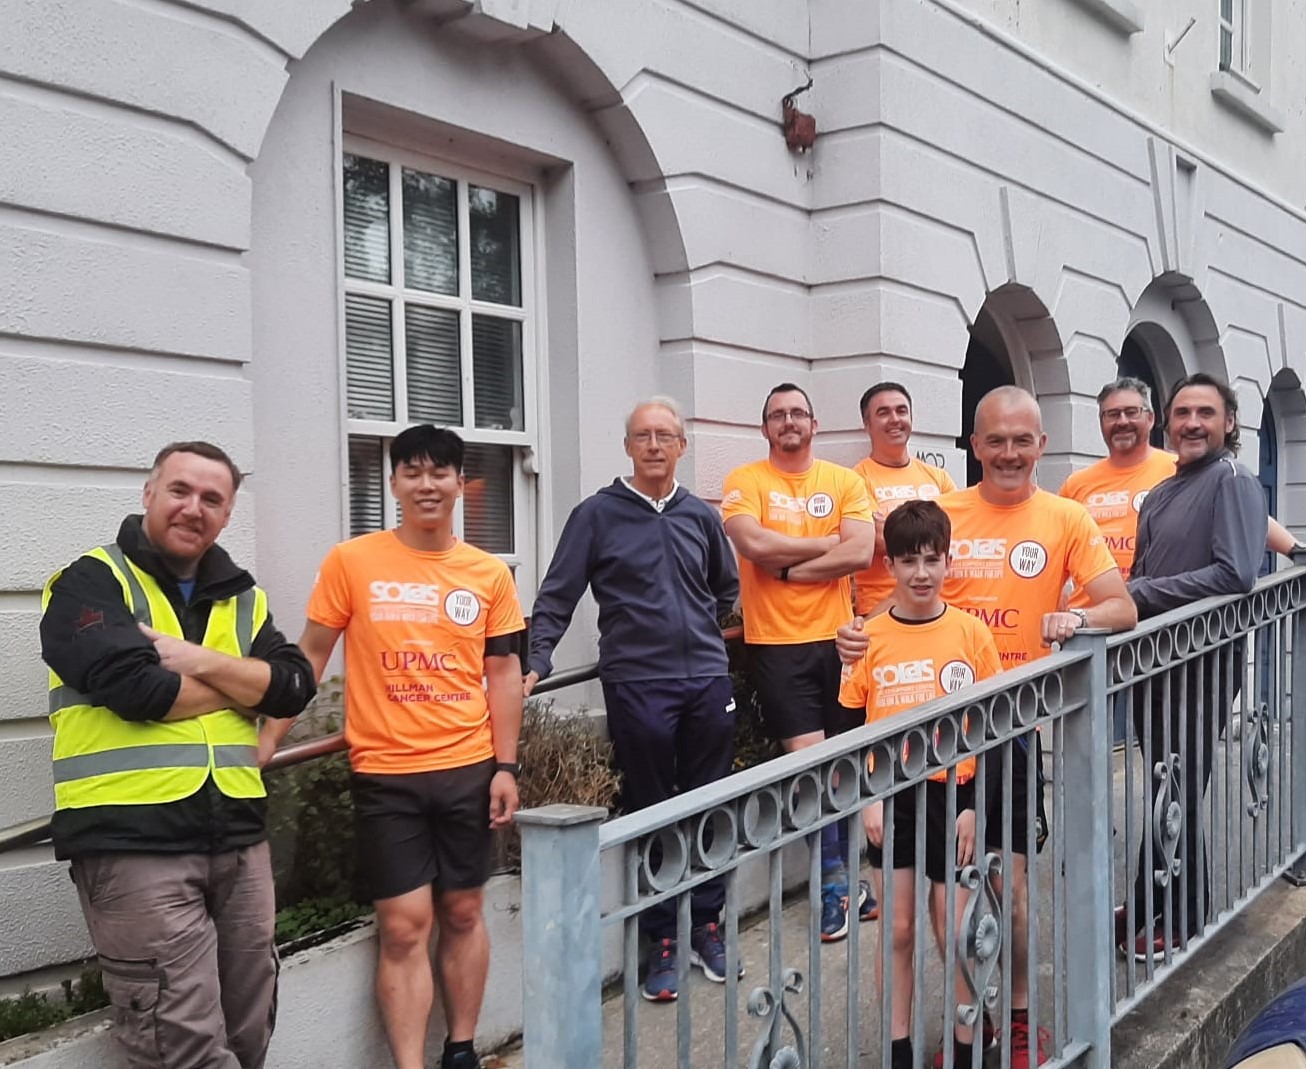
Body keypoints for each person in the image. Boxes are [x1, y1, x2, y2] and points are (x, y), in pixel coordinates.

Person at [838, 386, 1138, 1068]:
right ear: (975, 445)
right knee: (949, 911)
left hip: (1009, 733)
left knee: (1010, 890)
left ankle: (1023, 1015)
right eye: (995, 439)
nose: (1008, 452)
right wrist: (856, 640)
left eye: (1022, 440)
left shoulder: (1065, 517)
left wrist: (1078, 619)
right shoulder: (944, 514)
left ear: (1040, 445)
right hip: (930, 743)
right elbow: (896, 604)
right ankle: (982, 1020)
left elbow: (1120, 605)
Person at [39, 441, 317, 1069]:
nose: (194, 508)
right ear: (149, 495)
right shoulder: (90, 582)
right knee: (180, 1046)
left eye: (212, 499)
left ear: (227, 514)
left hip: (240, 837)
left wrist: (197, 661)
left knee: (249, 1031)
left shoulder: (242, 597)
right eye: (180, 491)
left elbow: (295, 686)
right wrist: (246, 687)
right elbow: (140, 691)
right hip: (134, 841)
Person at [260, 426, 524, 1069]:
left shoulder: (488, 573)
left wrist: (507, 767)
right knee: (404, 925)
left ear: (461, 484)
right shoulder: (352, 562)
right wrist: (265, 741)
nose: (426, 484)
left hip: (467, 766)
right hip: (385, 771)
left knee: (463, 909)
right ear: (394, 483)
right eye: (412, 472)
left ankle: (460, 1049)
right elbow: (312, 657)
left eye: (440, 473)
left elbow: (504, 674)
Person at [525, 397, 740, 1002]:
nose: (653, 445)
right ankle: (661, 941)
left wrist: (696, 635)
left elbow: (725, 588)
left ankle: (706, 926)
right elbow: (557, 594)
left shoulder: (700, 516)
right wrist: (537, 658)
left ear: (681, 447)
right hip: (638, 684)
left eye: (664, 435)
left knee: (710, 806)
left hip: (705, 679)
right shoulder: (596, 515)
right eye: (642, 435)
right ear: (627, 447)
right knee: (652, 809)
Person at [839, 501, 1000, 1069]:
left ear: (948, 560)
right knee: (898, 930)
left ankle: (968, 1042)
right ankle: (898, 1046)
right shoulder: (869, 638)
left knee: (955, 927)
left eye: (933, 560)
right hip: (893, 798)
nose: (922, 573)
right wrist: (868, 799)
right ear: (892, 565)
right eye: (909, 561)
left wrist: (975, 807)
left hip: (953, 796)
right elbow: (851, 728)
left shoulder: (971, 634)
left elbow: (992, 729)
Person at [1118, 373, 1269, 959]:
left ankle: (1182, 916)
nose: (1192, 423)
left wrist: (1144, 596)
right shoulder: (1160, 493)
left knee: (1176, 787)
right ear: (1167, 421)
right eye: (1182, 412)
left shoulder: (1232, 480)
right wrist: (1124, 600)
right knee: (1164, 785)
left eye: (1206, 412)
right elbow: (1140, 570)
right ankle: (1147, 896)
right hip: (1157, 663)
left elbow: (1236, 575)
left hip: (1201, 665)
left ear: (1228, 422)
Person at [721, 382, 879, 941]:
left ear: (814, 425)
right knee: (813, 770)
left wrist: (788, 565)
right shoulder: (745, 481)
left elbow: (861, 550)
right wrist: (824, 543)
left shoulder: (844, 481)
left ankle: (845, 878)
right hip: (777, 645)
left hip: (840, 641)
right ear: (765, 428)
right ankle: (834, 885)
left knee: (841, 765)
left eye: (798, 413)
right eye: (777, 415)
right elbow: (753, 546)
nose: (788, 422)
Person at [852, 382, 957, 618]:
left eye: (901, 411)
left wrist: (891, 525)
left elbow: (960, 534)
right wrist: (935, 534)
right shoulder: (856, 481)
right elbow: (876, 539)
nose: (894, 419)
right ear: (866, 425)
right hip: (883, 610)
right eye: (883, 413)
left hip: (940, 607)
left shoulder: (938, 477)